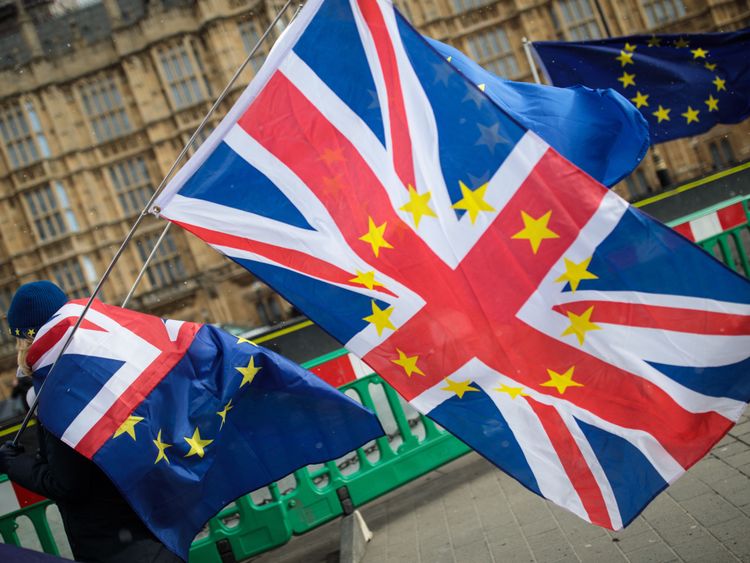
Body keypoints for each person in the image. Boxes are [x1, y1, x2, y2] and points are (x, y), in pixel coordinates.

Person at [0, 281, 182, 563]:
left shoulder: (61, 393)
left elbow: (68, 484)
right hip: (155, 533)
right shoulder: (102, 369)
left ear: (27, 340)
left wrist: (13, 463)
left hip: (117, 546)